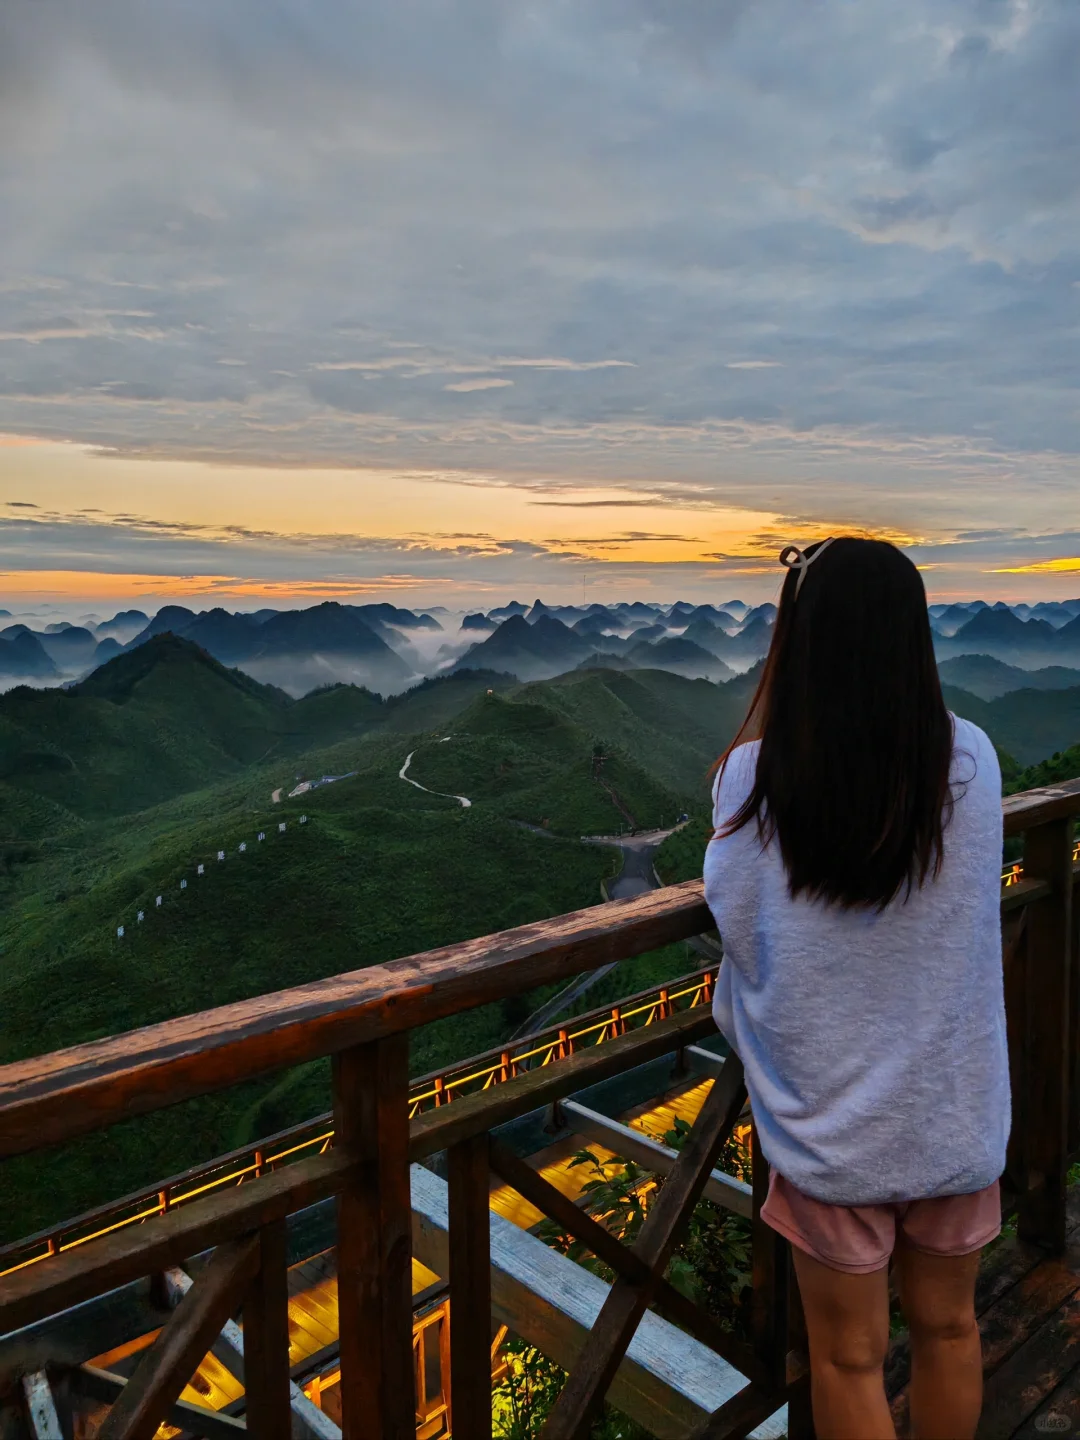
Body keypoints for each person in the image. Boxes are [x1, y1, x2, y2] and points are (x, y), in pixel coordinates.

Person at [703, 537, 1008, 1440]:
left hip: (829, 1123)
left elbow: (742, 917)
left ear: (803, 639)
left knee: (848, 1359)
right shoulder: (973, 763)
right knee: (953, 1327)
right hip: (950, 1108)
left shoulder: (753, 778)